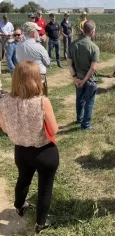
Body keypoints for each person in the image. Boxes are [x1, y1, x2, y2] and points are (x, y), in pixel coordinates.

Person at [0, 60, 59, 234]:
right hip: (44, 151)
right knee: (45, 188)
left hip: (21, 150)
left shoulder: (3, 101)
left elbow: (4, 128)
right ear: (35, 79)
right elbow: (54, 129)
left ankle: (19, 206)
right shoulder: (42, 102)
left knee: (23, 179)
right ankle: (40, 223)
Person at [67, 20, 99, 130]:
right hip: (90, 80)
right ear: (92, 32)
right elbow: (93, 68)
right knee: (89, 101)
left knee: (79, 99)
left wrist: (76, 78)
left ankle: (79, 119)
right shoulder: (94, 47)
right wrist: (85, 80)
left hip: (78, 79)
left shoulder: (72, 45)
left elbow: (69, 64)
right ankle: (85, 125)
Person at [16, 22, 51, 96]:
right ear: (33, 33)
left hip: (24, 75)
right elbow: (47, 63)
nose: (38, 33)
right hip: (38, 76)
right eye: (37, 31)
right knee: (40, 98)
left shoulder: (18, 45)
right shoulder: (39, 47)